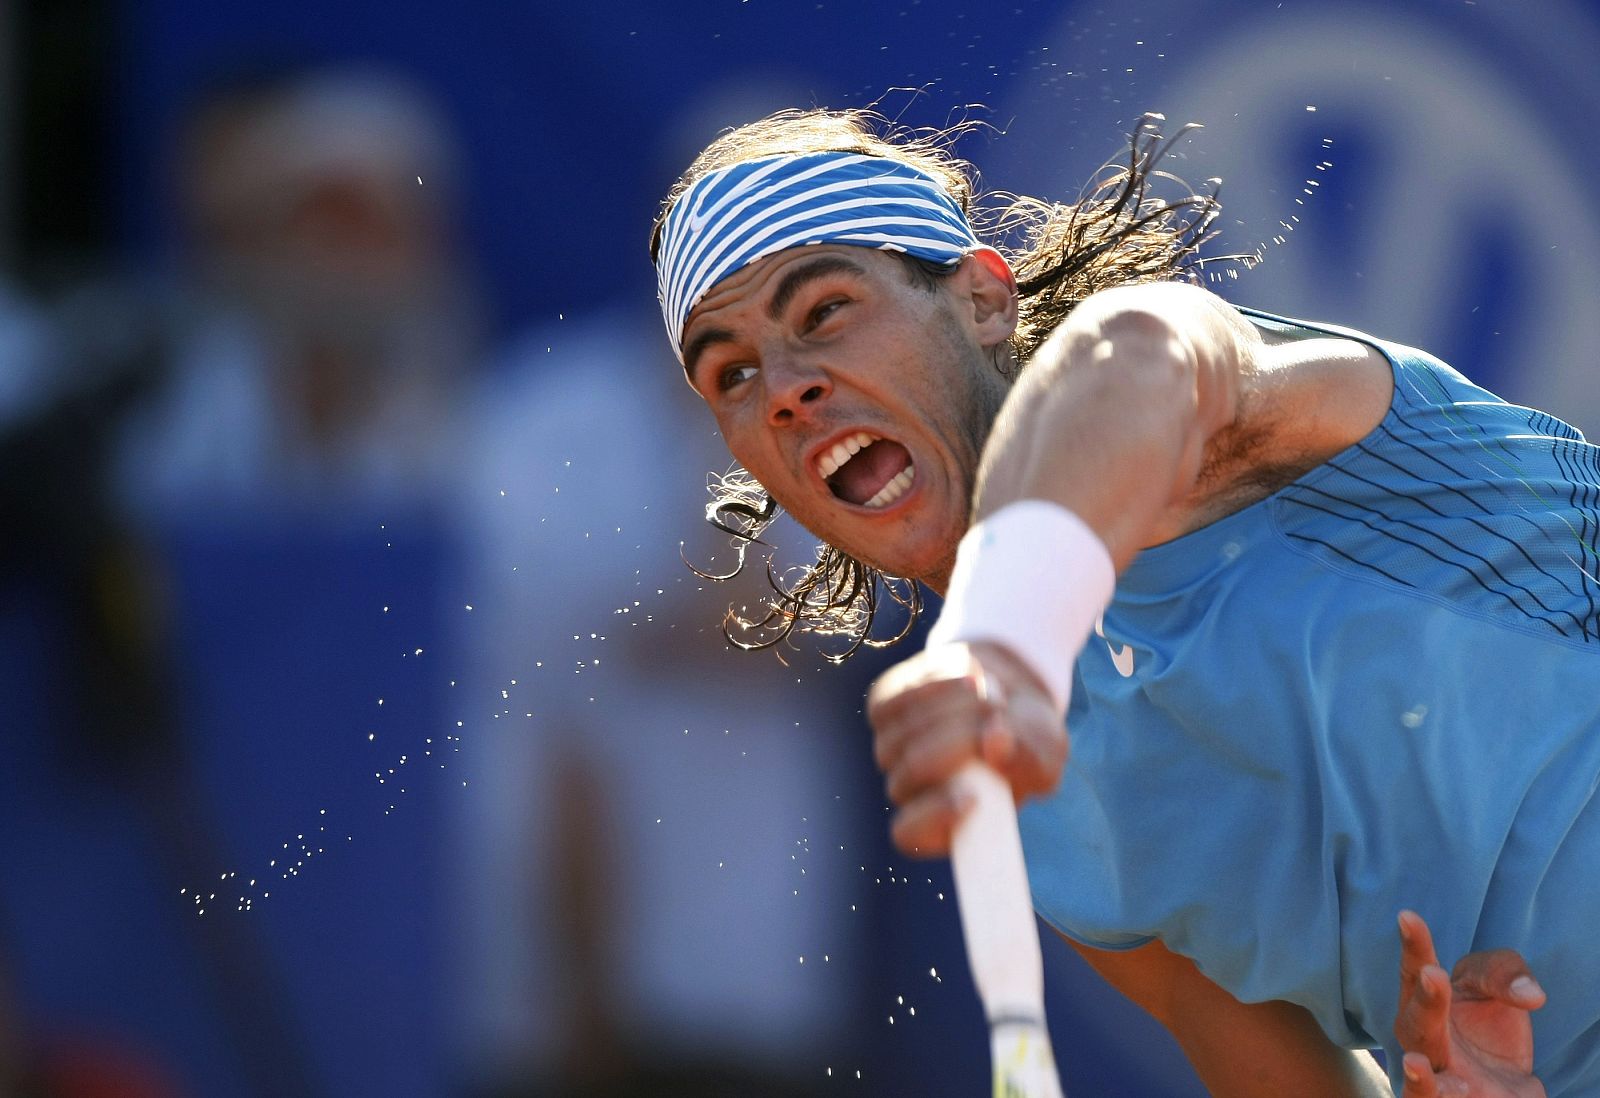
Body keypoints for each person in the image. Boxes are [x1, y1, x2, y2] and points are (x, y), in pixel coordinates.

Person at [647, 107, 1598, 1095]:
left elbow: (1138, 353)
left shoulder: (1184, 388)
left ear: (981, 299)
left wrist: (1010, 645)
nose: (786, 391)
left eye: (824, 312)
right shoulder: (1042, 814)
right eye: (734, 374)